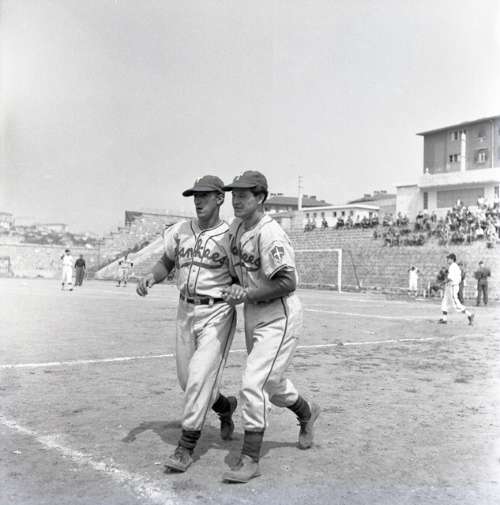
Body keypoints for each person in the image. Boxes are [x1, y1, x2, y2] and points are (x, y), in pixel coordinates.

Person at [220, 170, 320, 484]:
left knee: (254, 382)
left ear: (261, 197)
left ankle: (250, 458)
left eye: (243, 195)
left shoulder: (270, 233)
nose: (236, 200)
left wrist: (246, 293)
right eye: (234, 194)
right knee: (271, 384)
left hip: (279, 315)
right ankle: (306, 412)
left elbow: (288, 282)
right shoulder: (236, 227)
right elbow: (235, 272)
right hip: (254, 312)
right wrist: (234, 287)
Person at [136, 175, 237, 473]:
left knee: (198, 377)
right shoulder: (181, 230)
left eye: (204, 195)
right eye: (195, 195)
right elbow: (168, 261)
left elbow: (241, 275)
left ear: (220, 198)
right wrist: (152, 276)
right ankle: (225, 406)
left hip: (217, 312)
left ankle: (186, 446)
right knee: (186, 380)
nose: (198, 200)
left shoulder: (231, 235)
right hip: (185, 308)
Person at [438, 253, 474, 325]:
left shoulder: (453, 266)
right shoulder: (453, 266)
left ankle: (469, 315)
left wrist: (441, 283)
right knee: (445, 302)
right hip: (450, 286)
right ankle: (444, 319)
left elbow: (450, 278)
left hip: (453, 286)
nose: (447, 260)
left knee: (456, 304)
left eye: (448, 259)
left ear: (452, 259)